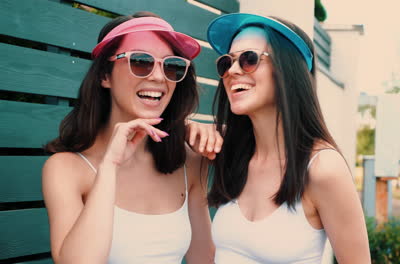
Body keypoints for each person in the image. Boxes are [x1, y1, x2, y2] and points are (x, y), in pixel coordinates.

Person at [42, 11, 219, 263]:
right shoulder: (65, 169)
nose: (158, 77)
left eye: (171, 66)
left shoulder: (189, 162)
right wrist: (110, 166)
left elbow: (204, 258)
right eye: (140, 61)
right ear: (105, 76)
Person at [206, 13, 371, 263]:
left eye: (249, 59)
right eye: (226, 63)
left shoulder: (322, 168)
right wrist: (186, 129)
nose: (232, 71)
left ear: (286, 70)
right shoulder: (229, 154)